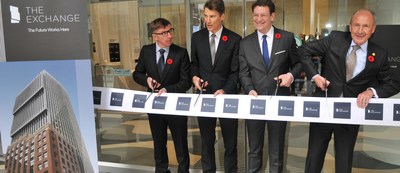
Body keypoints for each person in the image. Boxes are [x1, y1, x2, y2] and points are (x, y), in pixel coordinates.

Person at [299, 9, 399, 173]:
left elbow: (394, 82)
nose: (360, 31)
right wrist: (315, 76)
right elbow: (304, 51)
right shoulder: (335, 39)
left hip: (350, 115)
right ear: (350, 27)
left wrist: (371, 92)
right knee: (314, 159)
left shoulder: (379, 54)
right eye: (356, 25)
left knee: (344, 163)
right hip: (323, 110)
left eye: (365, 26)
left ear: (373, 29)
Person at [239, 0, 302, 172]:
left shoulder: (287, 38)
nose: (259, 19)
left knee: (276, 150)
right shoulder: (245, 43)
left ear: (272, 16)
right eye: (256, 15)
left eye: (263, 15)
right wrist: (249, 89)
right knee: (254, 150)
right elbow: (243, 72)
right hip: (254, 101)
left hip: (279, 100)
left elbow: (298, 64)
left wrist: (290, 75)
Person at [133, 18, 191, 173]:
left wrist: (168, 90)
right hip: (155, 107)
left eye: (170, 31)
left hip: (176, 107)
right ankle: (161, 170)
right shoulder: (146, 51)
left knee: (181, 144)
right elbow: (137, 73)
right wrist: (147, 80)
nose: (170, 36)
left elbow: (186, 82)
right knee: (159, 143)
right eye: (164, 33)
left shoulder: (181, 53)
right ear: (155, 36)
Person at [190, 0, 241, 172]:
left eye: (212, 16)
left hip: (227, 96)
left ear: (222, 16)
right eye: (205, 16)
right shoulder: (197, 37)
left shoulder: (234, 39)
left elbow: (236, 72)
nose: (208, 20)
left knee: (230, 142)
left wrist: (225, 89)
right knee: (206, 141)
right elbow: (194, 63)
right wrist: (195, 77)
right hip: (204, 96)